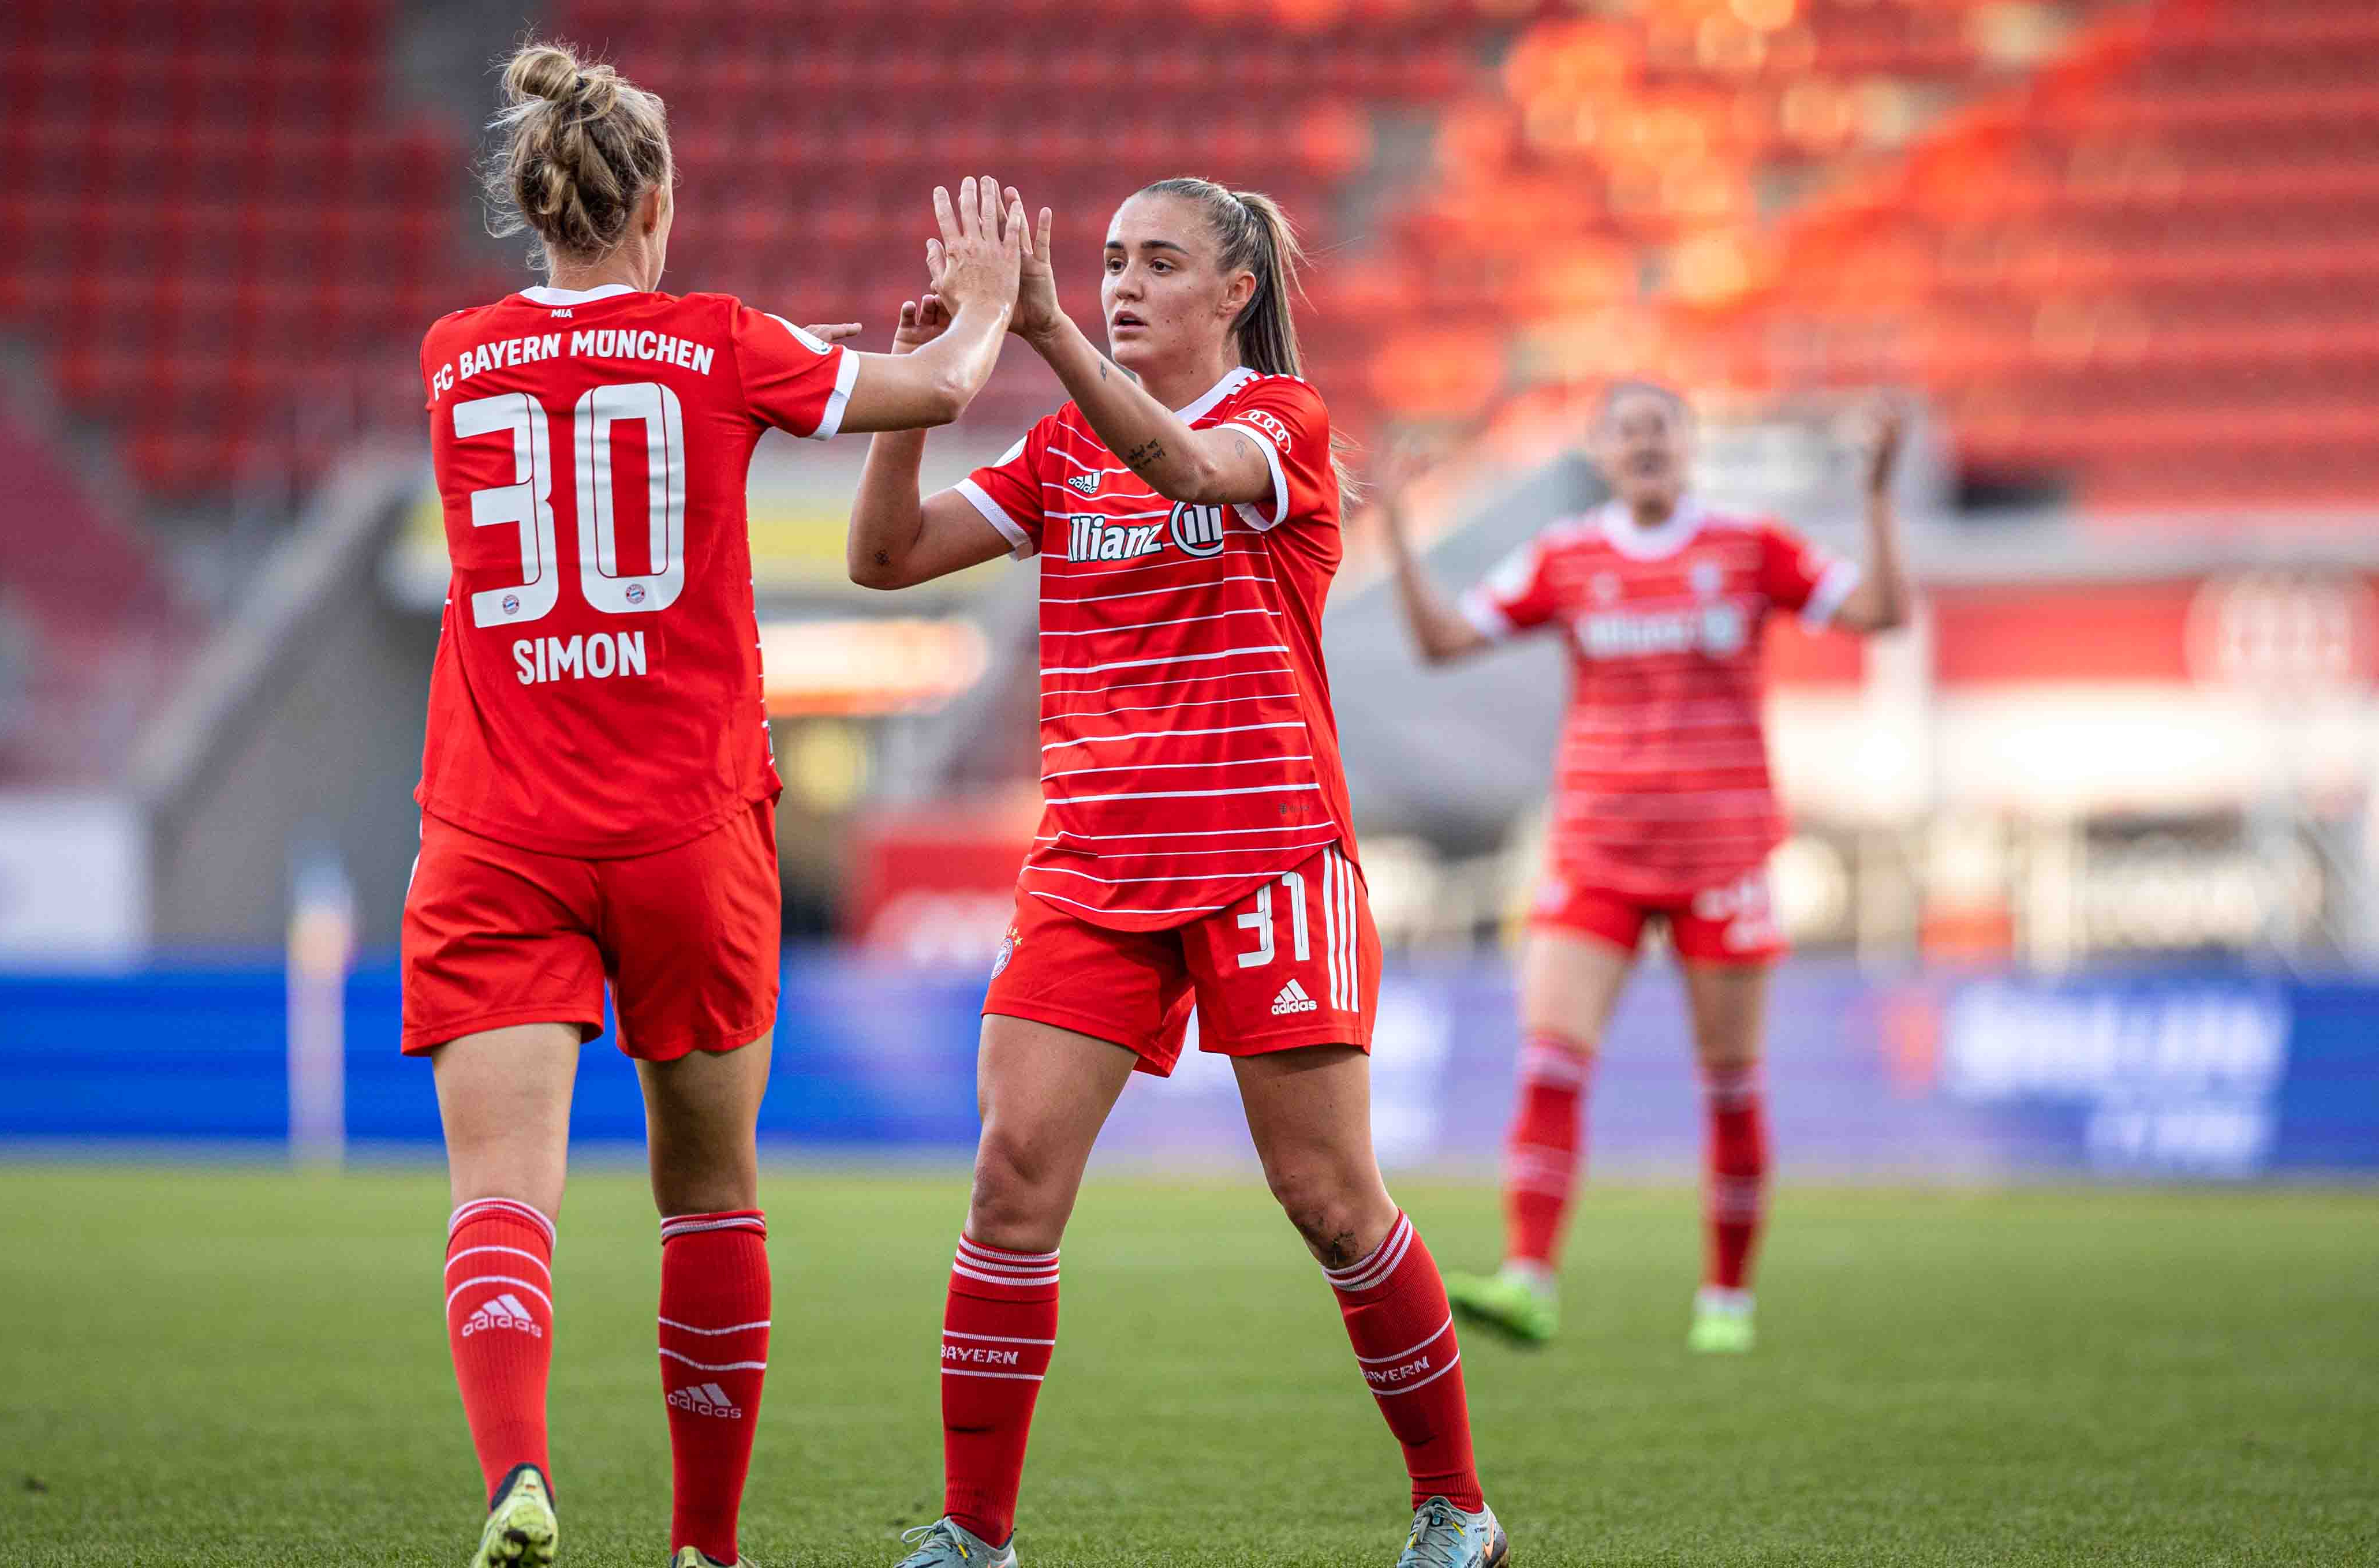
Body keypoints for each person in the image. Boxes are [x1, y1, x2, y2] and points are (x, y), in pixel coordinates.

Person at [405, 40, 1031, 1568]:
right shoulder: (719, 343)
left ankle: (517, 1472)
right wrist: (987, 305)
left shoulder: (452, 352)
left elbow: (577, 375)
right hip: (687, 824)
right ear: (659, 205)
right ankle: (702, 1546)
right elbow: (940, 384)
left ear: (532, 203)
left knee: (503, 1193)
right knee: (706, 1189)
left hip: (497, 828)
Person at [848, 178, 1507, 1568]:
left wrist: (1038, 330)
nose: (1123, 284)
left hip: (1267, 860)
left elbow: (1187, 472)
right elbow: (885, 557)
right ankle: (976, 1537)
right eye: (1105, 263)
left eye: (1160, 263)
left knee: (1331, 1203)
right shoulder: (1058, 453)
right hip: (1092, 867)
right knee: (1010, 1181)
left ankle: (1456, 1507)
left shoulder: (1283, 426)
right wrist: (912, 399)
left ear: (1236, 294)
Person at [1368, 383, 1911, 1354]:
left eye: (1661, 428)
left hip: (1723, 851)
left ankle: (1726, 1300)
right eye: (1627, 432)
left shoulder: (1750, 546)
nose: (1646, 444)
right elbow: (1443, 641)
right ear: (1602, 455)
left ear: (1688, 446)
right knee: (1549, 1062)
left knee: (1731, 1082)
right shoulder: (1569, 555)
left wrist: (1876, 494)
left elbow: (1877, 613)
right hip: (1599, 848)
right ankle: (1529, 1278)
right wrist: (1400, 531)